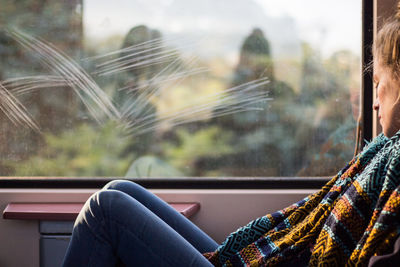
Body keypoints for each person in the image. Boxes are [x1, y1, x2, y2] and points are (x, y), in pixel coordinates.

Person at [63, 3, 400, 267]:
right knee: (120, 188)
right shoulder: (386, 151)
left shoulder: (395, 165)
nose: (372, 104)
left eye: (377, 85)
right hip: (269, 259)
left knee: (104, 209)